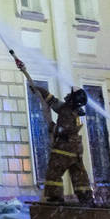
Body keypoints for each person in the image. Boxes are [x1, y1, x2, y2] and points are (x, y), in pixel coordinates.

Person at [14, 55, 93, 204]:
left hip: (64, 149)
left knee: (54, 173)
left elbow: (64, 129)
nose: (68, 95)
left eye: (71, 94)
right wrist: (41, 91)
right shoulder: (74, 111)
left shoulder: (68, 112)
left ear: (74, 99)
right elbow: (54, 103)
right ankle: (86, 197)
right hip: (76, 149)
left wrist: (52, 127)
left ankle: (55, 197)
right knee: (79, 174)